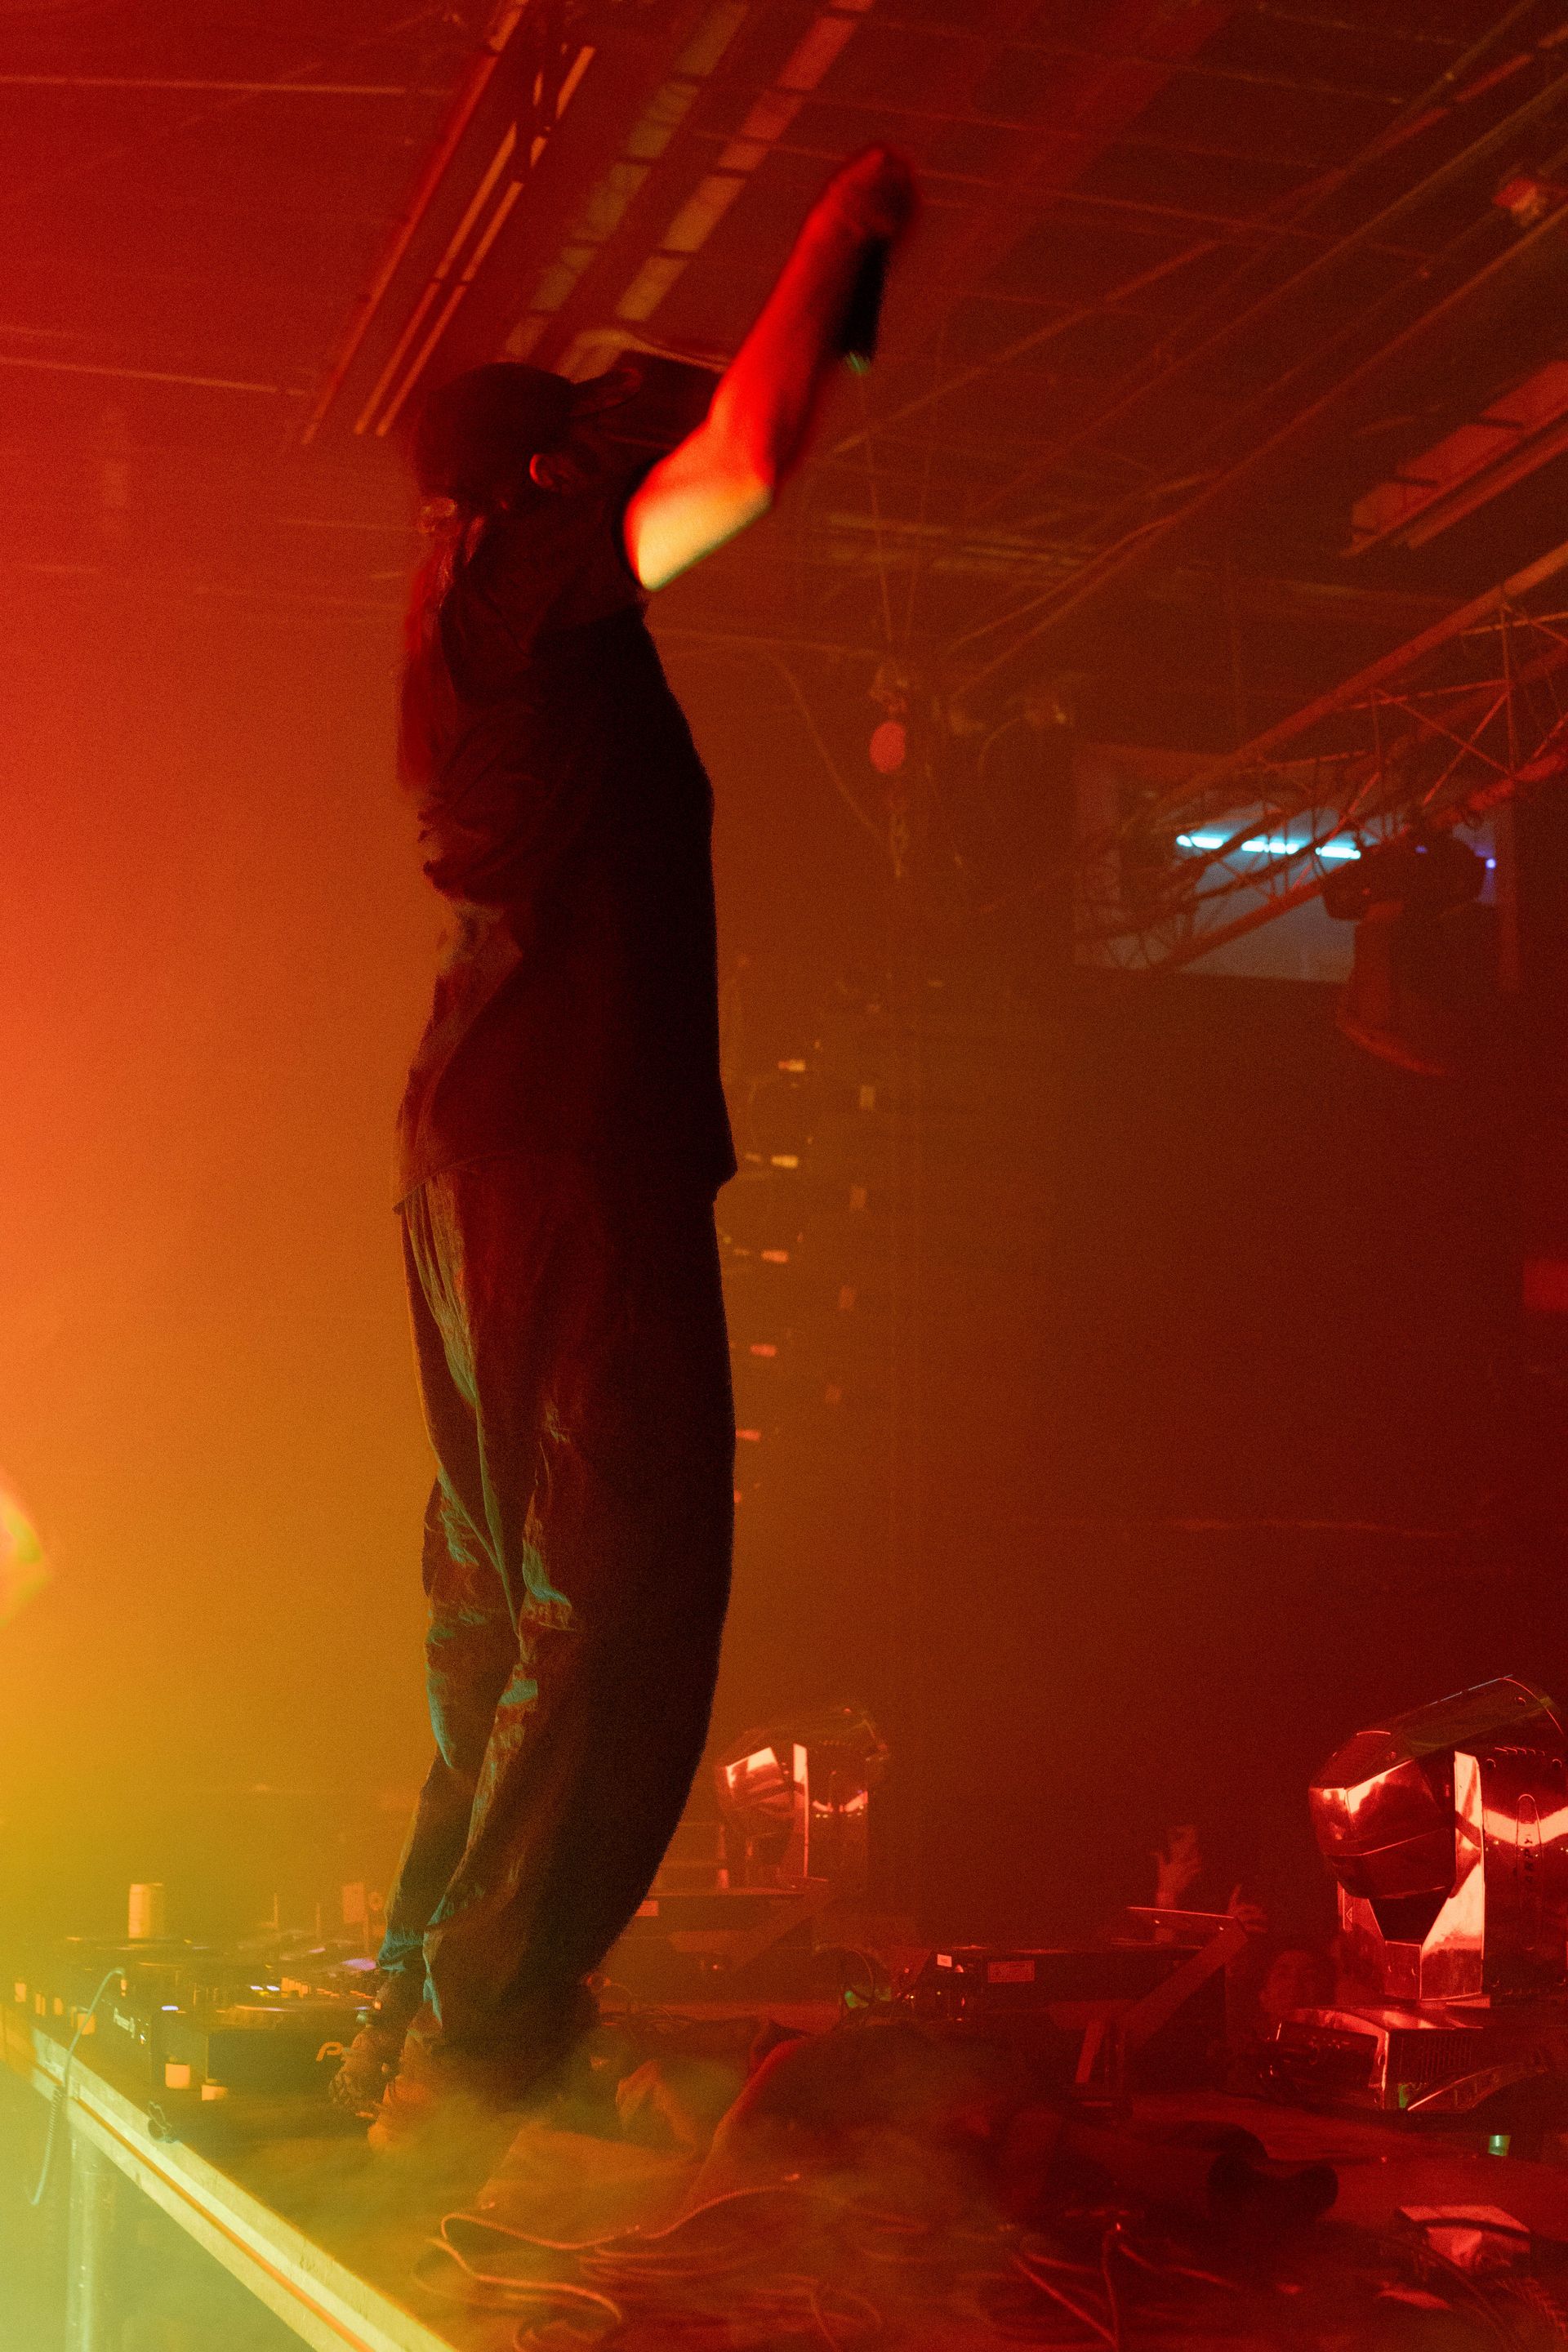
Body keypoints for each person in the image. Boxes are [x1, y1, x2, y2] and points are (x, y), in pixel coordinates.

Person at [331, 148, 918, 2149]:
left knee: (506, 1605)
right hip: (569, 1144)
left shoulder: (474, 645)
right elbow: (737, 459)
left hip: (484, 1154)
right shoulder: (531, 597)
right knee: (623, 1578)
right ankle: (493, 2022)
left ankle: (439, 1993)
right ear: (522, 499)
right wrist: (836, 233)